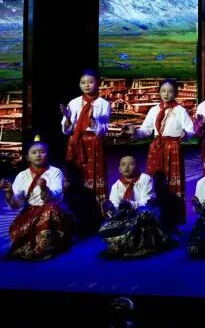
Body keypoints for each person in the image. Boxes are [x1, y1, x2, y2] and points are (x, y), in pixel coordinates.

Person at [125, 79, 194, 226]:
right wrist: (135, 132)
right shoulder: (154, 110)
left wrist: (185, 133)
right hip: (156, 148)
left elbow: (190, 129)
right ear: (159, 92)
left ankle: (173, 220)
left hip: (172, 148)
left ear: (175, 93)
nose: (166, 94)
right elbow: (145, 130)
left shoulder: (180, 110)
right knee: (153, 181)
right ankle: (152, 218)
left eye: (170, 91)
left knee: (171, 183)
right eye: (163, 91)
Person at [1, 141, 75, 261]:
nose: (38, 155)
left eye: (42, 152)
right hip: (32, 211)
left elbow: (57, 196)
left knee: (50, 209)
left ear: (48, 154)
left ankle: (50, 245)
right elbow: (16, 204)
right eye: (34, 152)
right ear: (27, 157)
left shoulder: (55, 172)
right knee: (17, 233)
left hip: (53, 209)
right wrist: (9, 192)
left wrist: (44, 188)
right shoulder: (22, 175)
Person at [60, 69, 110, 229]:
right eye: (83, 82)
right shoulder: (73, 103)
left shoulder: (103, 104)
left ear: (98, 83)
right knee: (75, 176)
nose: (87, 85)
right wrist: (68, 117)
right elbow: (66, 130)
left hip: (93, 143)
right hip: (75, 143)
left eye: (90, 82)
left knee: (94, 176)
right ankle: (75, 213)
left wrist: (93, 121)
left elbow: (104, 130)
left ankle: (95, 214)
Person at [98, 154, 172, 259]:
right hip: (126, 217)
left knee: (144, 214)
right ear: (119, 169)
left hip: (144, 214)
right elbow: (115, 207)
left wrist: (129, 204)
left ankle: (143, 245)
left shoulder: (145, 179)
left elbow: (146, 202)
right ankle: (123, 245)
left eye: (131, 164)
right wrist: (111, 208)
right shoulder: (116, 185)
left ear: (138, 166)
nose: (127, 167)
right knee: (104, 227)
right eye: (123, 164)